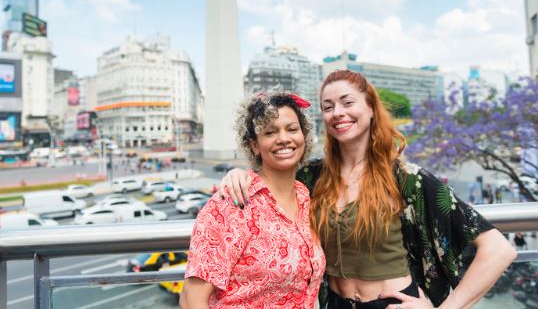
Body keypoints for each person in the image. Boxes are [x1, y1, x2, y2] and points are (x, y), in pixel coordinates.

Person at [219, 70, 517, 309]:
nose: (338, 113)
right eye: (328, 107)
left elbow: (498, 250)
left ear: (371, 108)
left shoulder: (407, 178)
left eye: (348, 103)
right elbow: (270, 172)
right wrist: (240, 175)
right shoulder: (311, 176)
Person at [180, 91, 325, 308]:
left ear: (303, 136)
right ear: (254, 145)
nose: (284, 138)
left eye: (292, 129)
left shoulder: (304, 196)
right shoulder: (231, 204)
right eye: (270, 132)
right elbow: (192, 299)